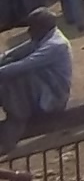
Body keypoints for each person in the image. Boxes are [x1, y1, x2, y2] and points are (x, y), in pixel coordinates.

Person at [0, 10, 69, 152]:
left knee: (16, 76)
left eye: (32, 27)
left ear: (42, 27)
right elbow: (14, 53)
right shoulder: (43, 38)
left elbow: (27, 64)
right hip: (41, 89)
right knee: (9, 63)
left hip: (53, 96)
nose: (29, 31)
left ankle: (15, 125)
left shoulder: (56, 45)